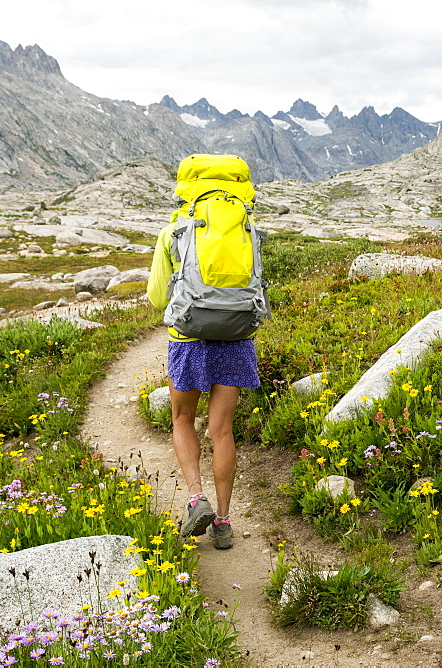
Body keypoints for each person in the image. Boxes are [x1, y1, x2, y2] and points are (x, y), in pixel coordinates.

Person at [145, 155, 261, 548]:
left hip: (188, 337)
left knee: (182, 418)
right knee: (222, 430)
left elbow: (156, 295)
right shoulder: (246, 227)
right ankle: (224, 523)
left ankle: (196, 498)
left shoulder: (174, 231)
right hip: (236, 336)